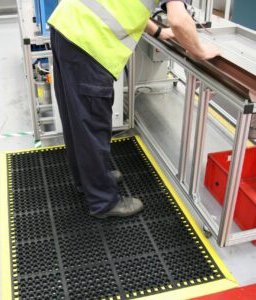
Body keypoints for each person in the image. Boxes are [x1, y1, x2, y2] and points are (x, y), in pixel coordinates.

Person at [48, 0, 220, 218]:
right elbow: (179, 21)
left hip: (67, 26)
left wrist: (158, 31)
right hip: (89, 42)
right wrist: (201, 51)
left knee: (77, 119)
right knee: (91, 124)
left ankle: (88, 179)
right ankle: (103, 201)